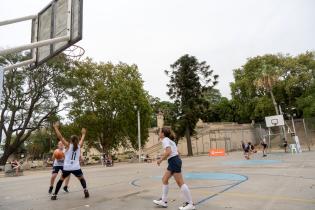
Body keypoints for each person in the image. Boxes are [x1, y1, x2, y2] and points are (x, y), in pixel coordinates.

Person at [153, 127, 195, 210]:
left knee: (180, 183)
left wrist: (160, 160)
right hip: (174, 161)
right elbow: (176, 152)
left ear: (163, 134)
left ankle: (190, 204)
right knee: (164, 179)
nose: (159, 133)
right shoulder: (169, 140)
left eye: (160, 132)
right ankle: (163, 201)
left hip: (174, 161)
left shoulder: (165, 140)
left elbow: (169, 152)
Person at [51, 122, 89, 200]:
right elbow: (82, 139)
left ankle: (54, 195)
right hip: (76, 167)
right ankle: (85, 190)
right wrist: (84, 134)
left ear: (70, 140)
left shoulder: (68, 145)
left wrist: (56, 128)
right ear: (77, 140)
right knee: (82, 179)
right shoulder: (79, 146)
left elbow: (60, 137)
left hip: (67, 167)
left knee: (61, 180)